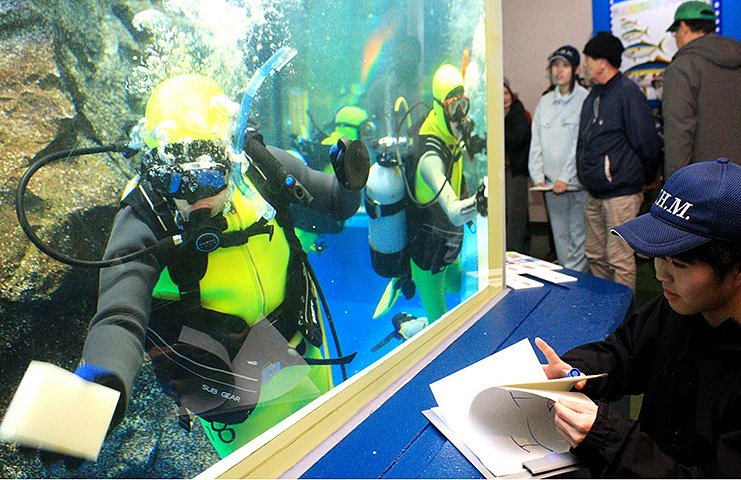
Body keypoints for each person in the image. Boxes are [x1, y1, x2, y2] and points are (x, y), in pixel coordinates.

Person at [65, 74, 367, 459]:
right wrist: (99, 390)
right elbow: (118, 315)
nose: (196, 201)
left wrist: (350, 182)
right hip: (234, 395)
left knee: (339, 449)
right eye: (177, 182)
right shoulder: (146, 217)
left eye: (209, 177)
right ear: (156, 170)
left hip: (304, 351)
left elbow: (334, 203)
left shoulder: (258, 169)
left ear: (231, 156)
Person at [535, 157, 740, 477]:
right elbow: (624, 352)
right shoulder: (679, 307)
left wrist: (608, 438)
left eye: (679, 264)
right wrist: (576, 371)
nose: (661, 274)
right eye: (659, 258)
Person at [577, 32, 663, 292]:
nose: (584, 65)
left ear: (602, 62)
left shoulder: (627, 93)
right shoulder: (593, 96)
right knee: (595, 256)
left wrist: (644, 179)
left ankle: (624, 314)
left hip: (621, 194)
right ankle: (604, 309)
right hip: (594, 193)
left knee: (619, 260)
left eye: (588, 59)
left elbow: (647, 142)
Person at [405, 63, 487, 323]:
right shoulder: (429, 157)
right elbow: (453, 211)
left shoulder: (448, 134)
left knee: (455, 285)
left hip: (448, 242)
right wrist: (481, 202)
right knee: (439, 324)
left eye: (464, 105)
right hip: (428, 254)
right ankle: (409, 324)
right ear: (440, 107)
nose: (460, 115)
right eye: (454, 107)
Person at [663, 1, 741, 177]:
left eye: (675, 33)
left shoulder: (683, 67)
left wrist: (675, 184)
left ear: (683, 28)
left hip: (707, 180)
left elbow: (679, 133)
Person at [528, 45, 589, 272]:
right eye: (555, 65)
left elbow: (580, 145)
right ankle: (567, 279)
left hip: (576, 186)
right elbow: (536, 142)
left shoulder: (585, 99)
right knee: (560, 239)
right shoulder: (544, 102)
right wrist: (538, 176)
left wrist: (565, 177)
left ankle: (577, 284)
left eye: (565, 65)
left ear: (576, 69)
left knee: (578, 239)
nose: (559, 70)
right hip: (551, 187)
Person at [503, 78, 531, 254]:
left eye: (506, 93)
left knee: (516, 215)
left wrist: (496, 134)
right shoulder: (490, 116)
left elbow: (517, 138)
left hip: (516, 171)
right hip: (500, 173)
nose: (504, 98)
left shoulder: (519, 115)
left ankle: (515, 252)